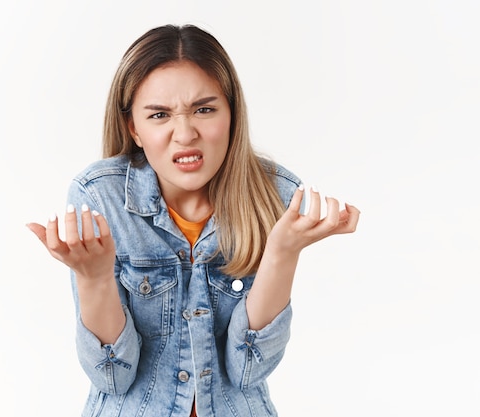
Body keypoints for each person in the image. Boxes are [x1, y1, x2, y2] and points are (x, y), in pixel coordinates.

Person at [27, 24, 360, 417]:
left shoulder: (278, 196)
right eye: (159, 115)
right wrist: (94, 277)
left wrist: (281, 253)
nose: (184, 134)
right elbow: (112, 378)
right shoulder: (101, 197)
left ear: (232, 113)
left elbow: (248, 370)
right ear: (133, 128)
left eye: (204, 109)